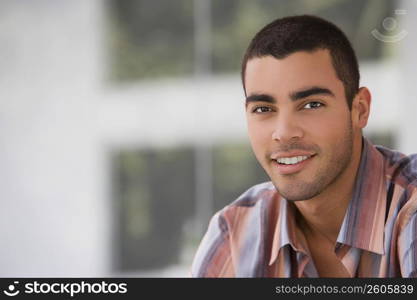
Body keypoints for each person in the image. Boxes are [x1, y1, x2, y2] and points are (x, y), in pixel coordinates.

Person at [191, 15, 417, 278]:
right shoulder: (234, 233)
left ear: (359, 109)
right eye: (263, 109)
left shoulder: (409, 208)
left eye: (311, 105)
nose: (284, 133)